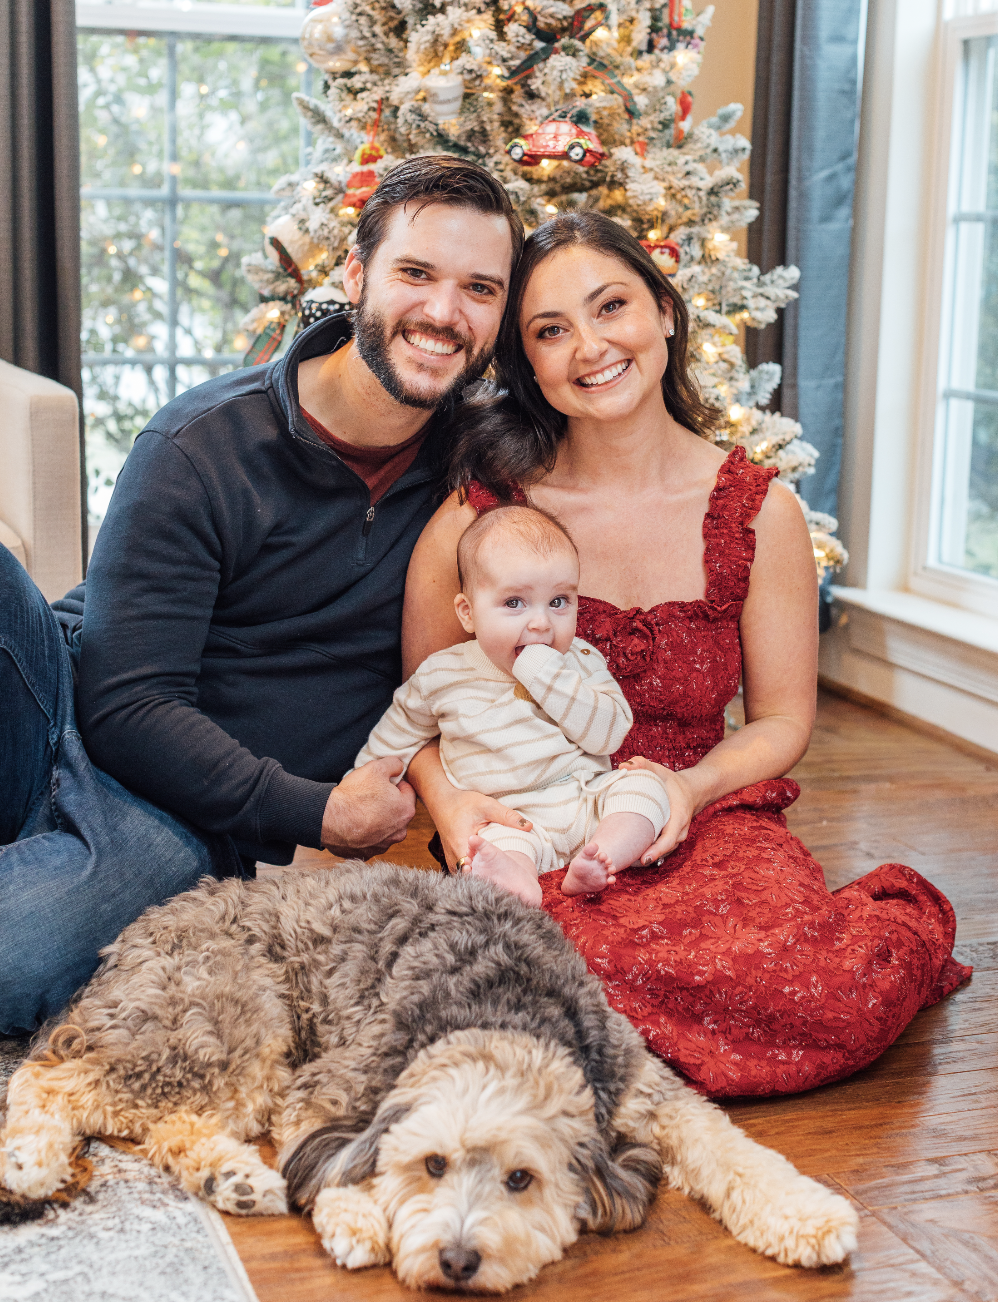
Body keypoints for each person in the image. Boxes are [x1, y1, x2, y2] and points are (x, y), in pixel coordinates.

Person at [400, 211, 972, 1099]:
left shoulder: (757, 511)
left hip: (704, 808)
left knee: (826, 998)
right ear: (530, 365)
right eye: (550, 331)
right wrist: (454, 806)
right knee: (541, 975)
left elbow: (782, 721)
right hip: (531, 823)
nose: (589, 347)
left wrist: (687, 787)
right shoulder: (484, 522)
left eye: (611, 307)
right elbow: (424, 711)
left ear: (665, 311)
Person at [0, 156, 531, 1035]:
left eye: (480, 288)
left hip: (173, 817)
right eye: (416, 274)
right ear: (357, 277)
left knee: (21, 962)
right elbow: (127, 703)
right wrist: (318, 812)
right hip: (56, 707)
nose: (444, 313)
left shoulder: (482, 472)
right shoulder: (200, 444)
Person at [353, 503, 670, 905]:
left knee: (646, 788)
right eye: (515, 603)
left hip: (587, 801)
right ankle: (518, 881)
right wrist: (364, 786)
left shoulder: (581, 660)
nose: (541, 623)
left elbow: (608, 735)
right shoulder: (443, 673)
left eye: (559, 602)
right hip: (510, 818)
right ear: (468, 613)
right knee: (488, 845)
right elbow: (399, 733)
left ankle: (606, 855)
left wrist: (551, 678)